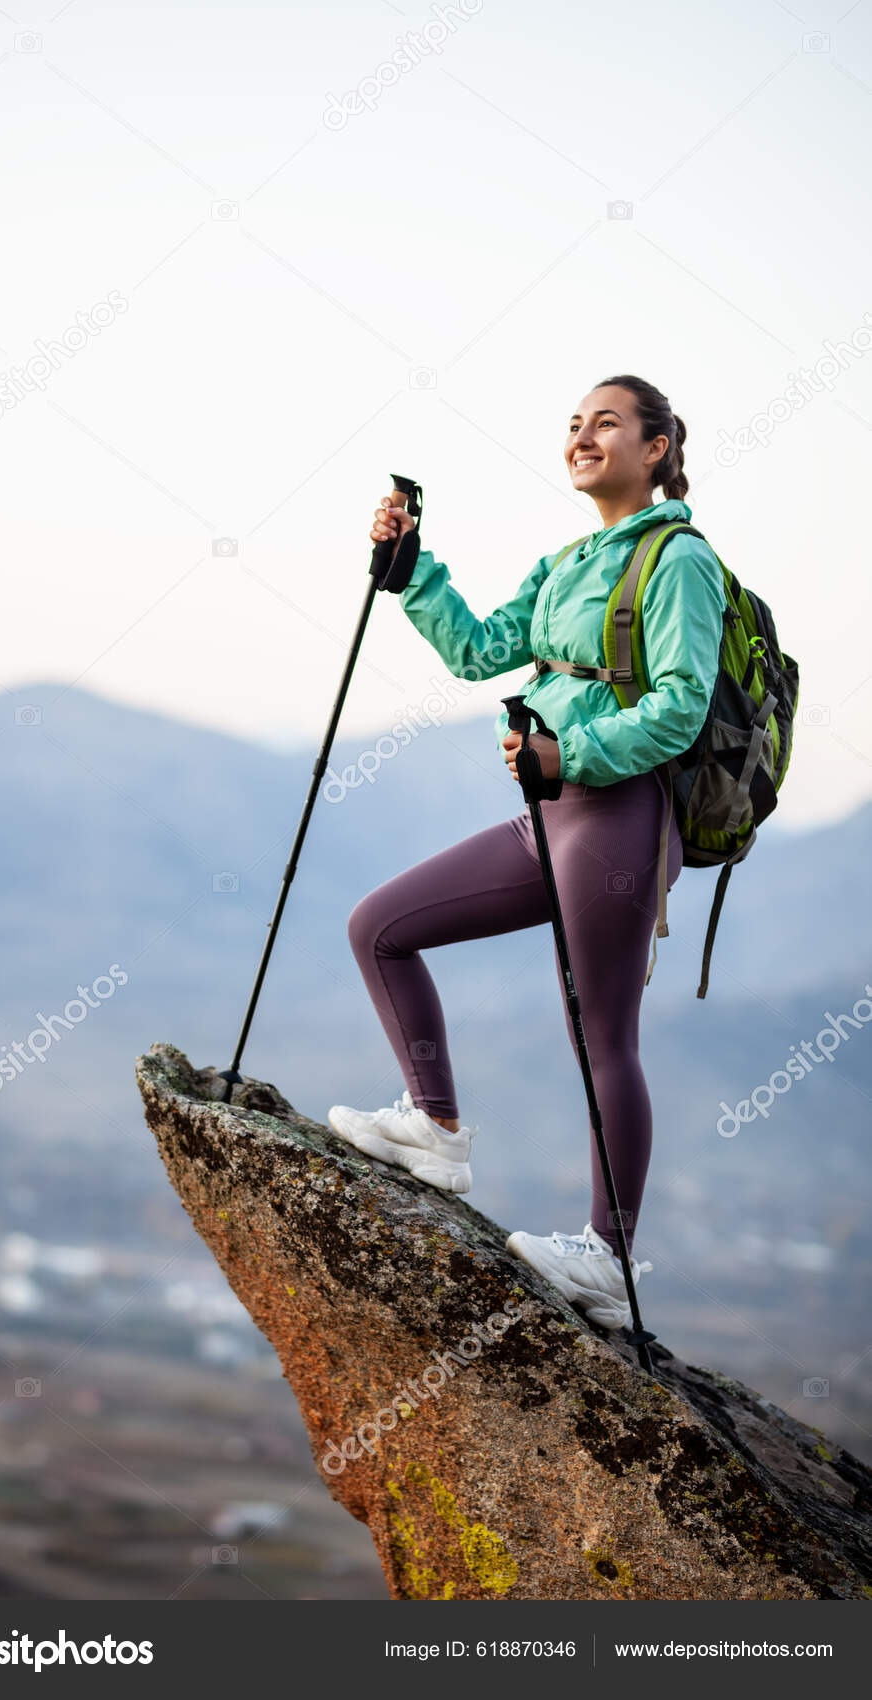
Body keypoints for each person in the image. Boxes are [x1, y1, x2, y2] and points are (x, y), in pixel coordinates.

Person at [327, 375, 727, 1331]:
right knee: (378, 926)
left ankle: (607, 1258)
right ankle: (434, 1130)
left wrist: (567, 751)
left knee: (601, 1036)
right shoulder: (567, 561)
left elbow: (678, 705)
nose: (583, 436)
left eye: (607, 424)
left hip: (619, 817)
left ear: (657, 448)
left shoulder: (678, 563)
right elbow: (478, 651)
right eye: (574, 424)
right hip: (550, 815)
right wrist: (409, 566)